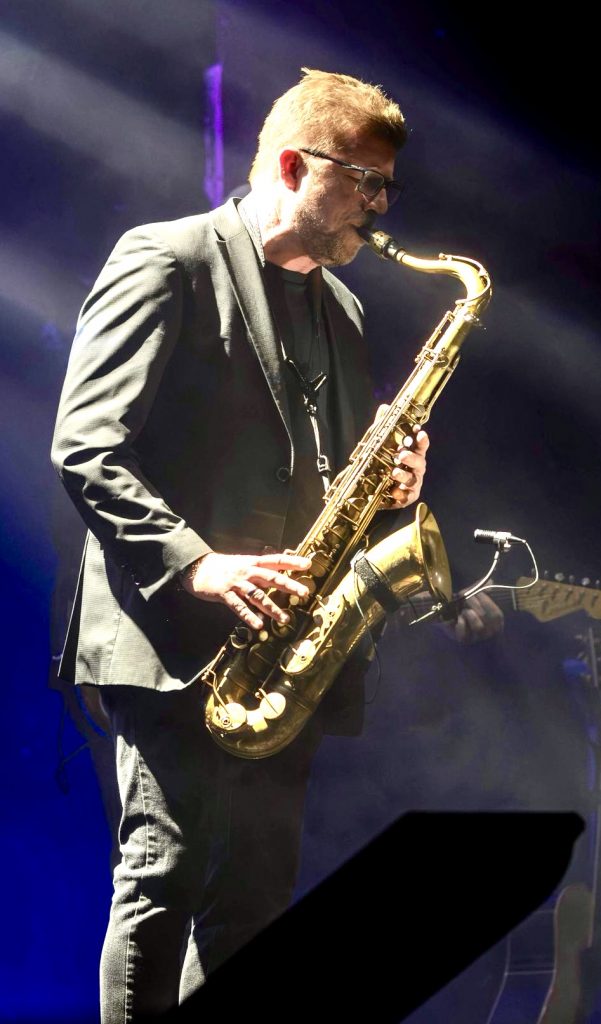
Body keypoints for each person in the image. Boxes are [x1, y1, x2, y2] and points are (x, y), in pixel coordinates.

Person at [50, 68, 490, 1023]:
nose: (380, 209)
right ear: (293, 164)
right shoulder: (167, 258)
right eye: (365, 182)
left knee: (254, 903)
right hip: (173, 639)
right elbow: (86, 447)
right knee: (162, 883)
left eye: (386, 188)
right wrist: (198, 563)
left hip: (284, 642)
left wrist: (392, 488)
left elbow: (330, 475)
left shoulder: (343, 307)